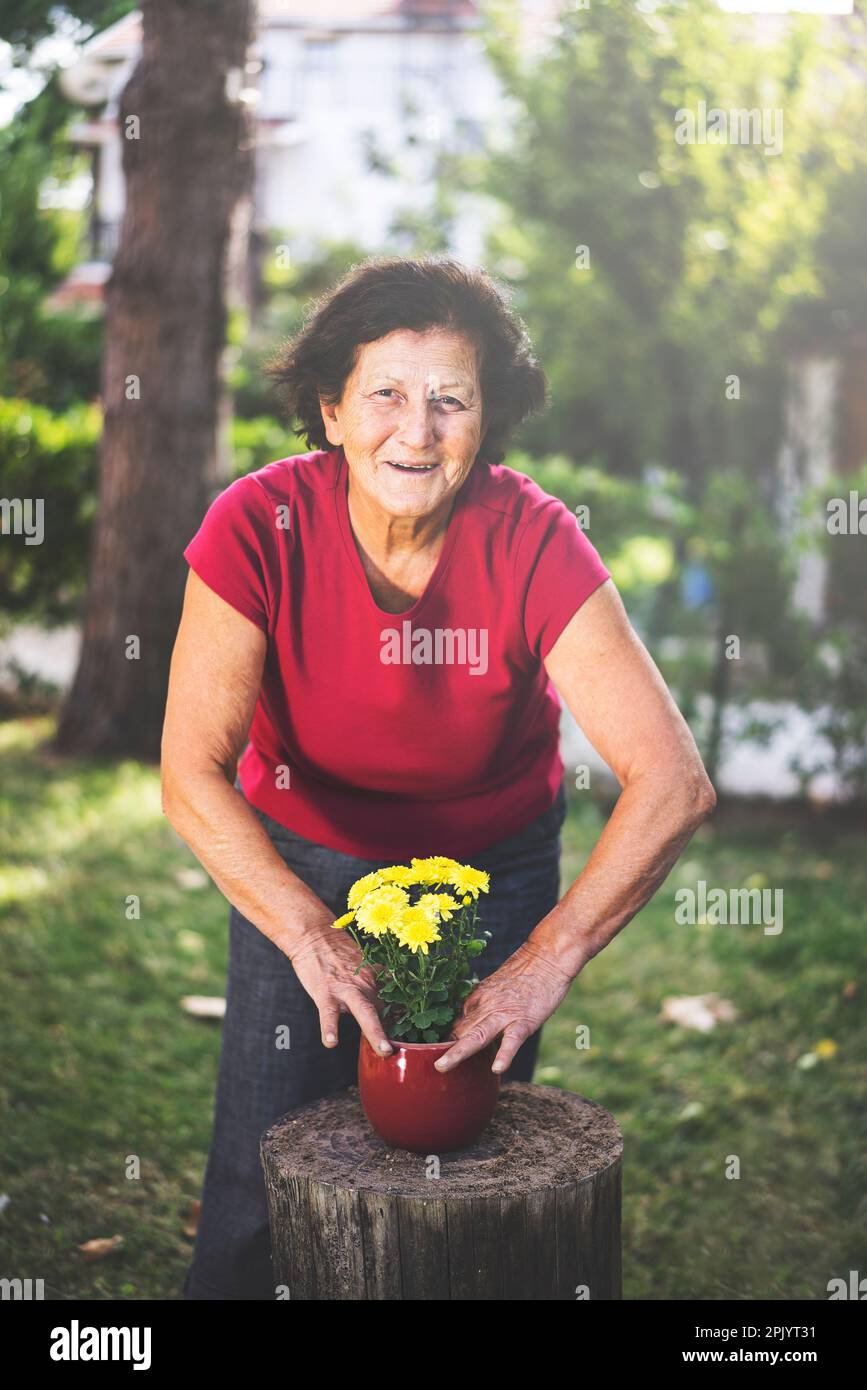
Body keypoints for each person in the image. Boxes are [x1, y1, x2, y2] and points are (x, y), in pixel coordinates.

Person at [161, 256, 715, 1299]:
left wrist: (544, 961)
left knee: (457, 1183)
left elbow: (673, 780)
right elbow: (190, 772)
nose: (416, 430)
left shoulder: (534, 538)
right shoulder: (256, 524)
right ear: (329, 411)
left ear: (486, 417)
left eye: (450, 399)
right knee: (263, 1171)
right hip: (306, 867)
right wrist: (310, 931)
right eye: (385, 395)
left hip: (491, 872)